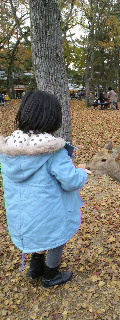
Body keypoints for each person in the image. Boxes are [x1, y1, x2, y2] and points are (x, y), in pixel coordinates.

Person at [0, 90, 88, 288]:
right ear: (53, 117)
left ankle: (34, 268)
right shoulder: (53, 151)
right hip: (50, 212)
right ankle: (51, 274)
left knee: (40, 234)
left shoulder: (9, 150)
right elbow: (71, 181)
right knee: (57, 237)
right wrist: (82, 171)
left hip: (23, 213)